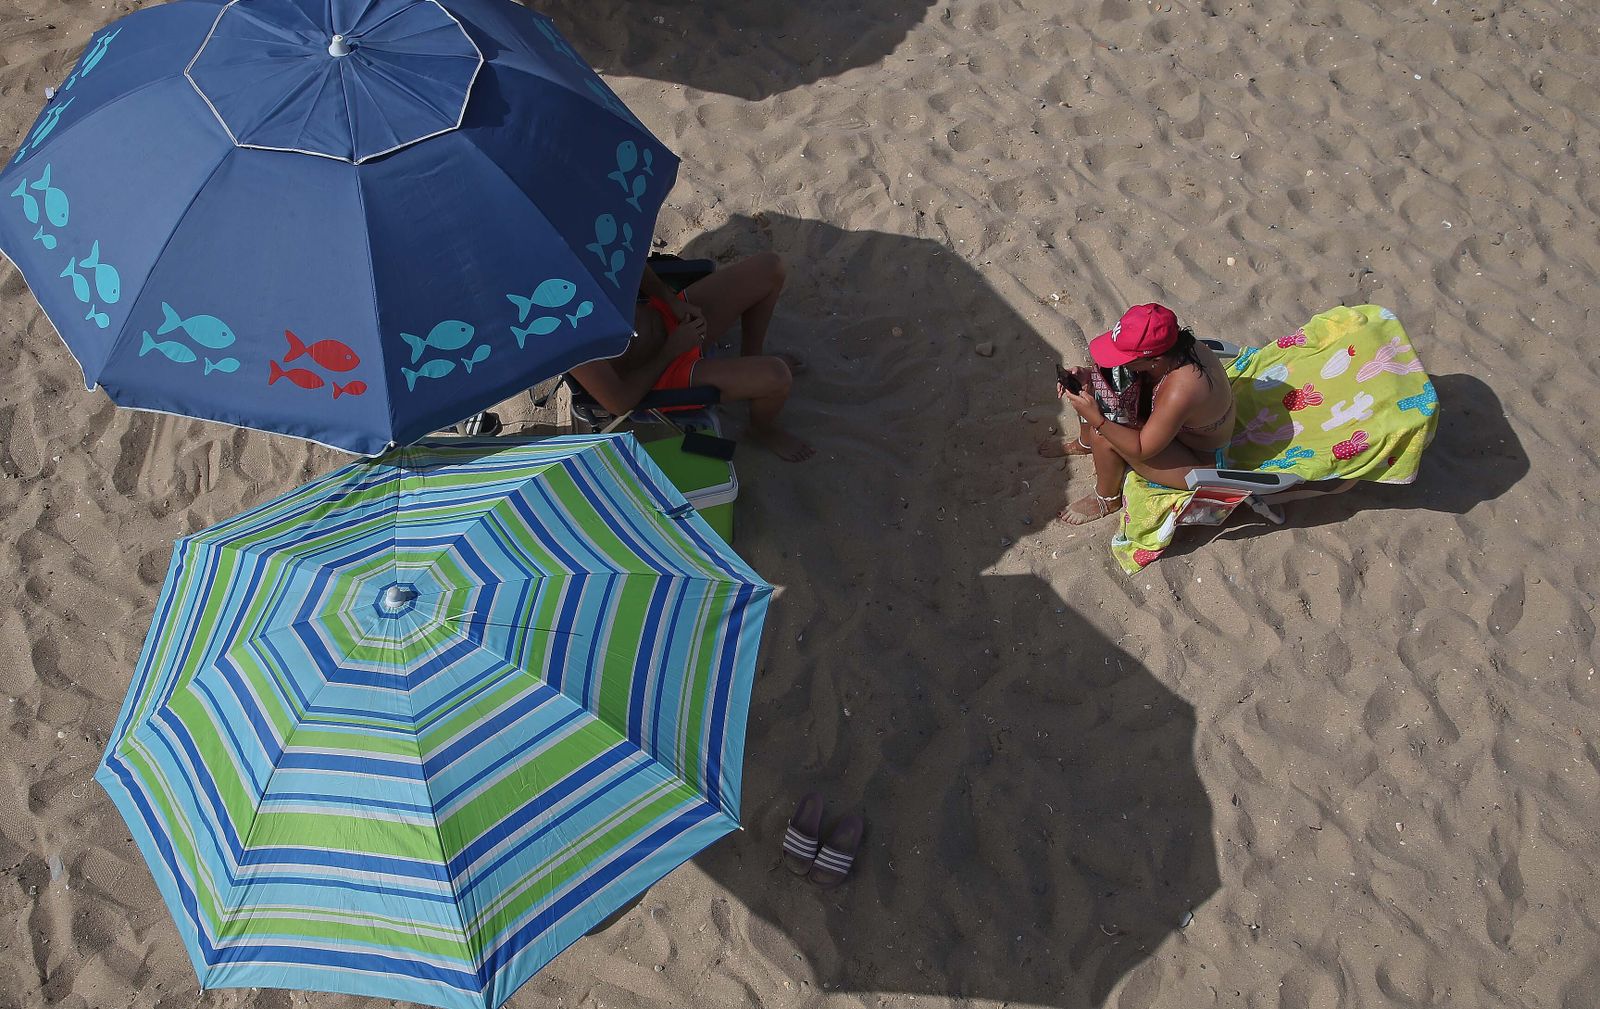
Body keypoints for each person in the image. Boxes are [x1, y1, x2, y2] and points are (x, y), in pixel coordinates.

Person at [570, 252, 814, 461]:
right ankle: (762, 429)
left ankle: (751, 360)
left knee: (770, 268)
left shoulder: (572, 252)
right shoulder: (559, 331)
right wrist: (672, 350)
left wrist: (668, 300)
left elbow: (632, 261)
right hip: (661, 376)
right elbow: (619, 401)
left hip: (668, 318)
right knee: (777, 375)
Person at [1039, 303, 1236, 524]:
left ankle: (1107, 498)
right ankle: (1085, 444)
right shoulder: (1174, 349)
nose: (1120, 362)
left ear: (1155, 360)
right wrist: (1087, 377)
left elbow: (1142, 449)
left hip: (1203, 461)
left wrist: (1098, 420)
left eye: (1127, 359)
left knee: (1103, 433)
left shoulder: (1182, 388)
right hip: (1177, 429)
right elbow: (1117, 372)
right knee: (1094, 387)